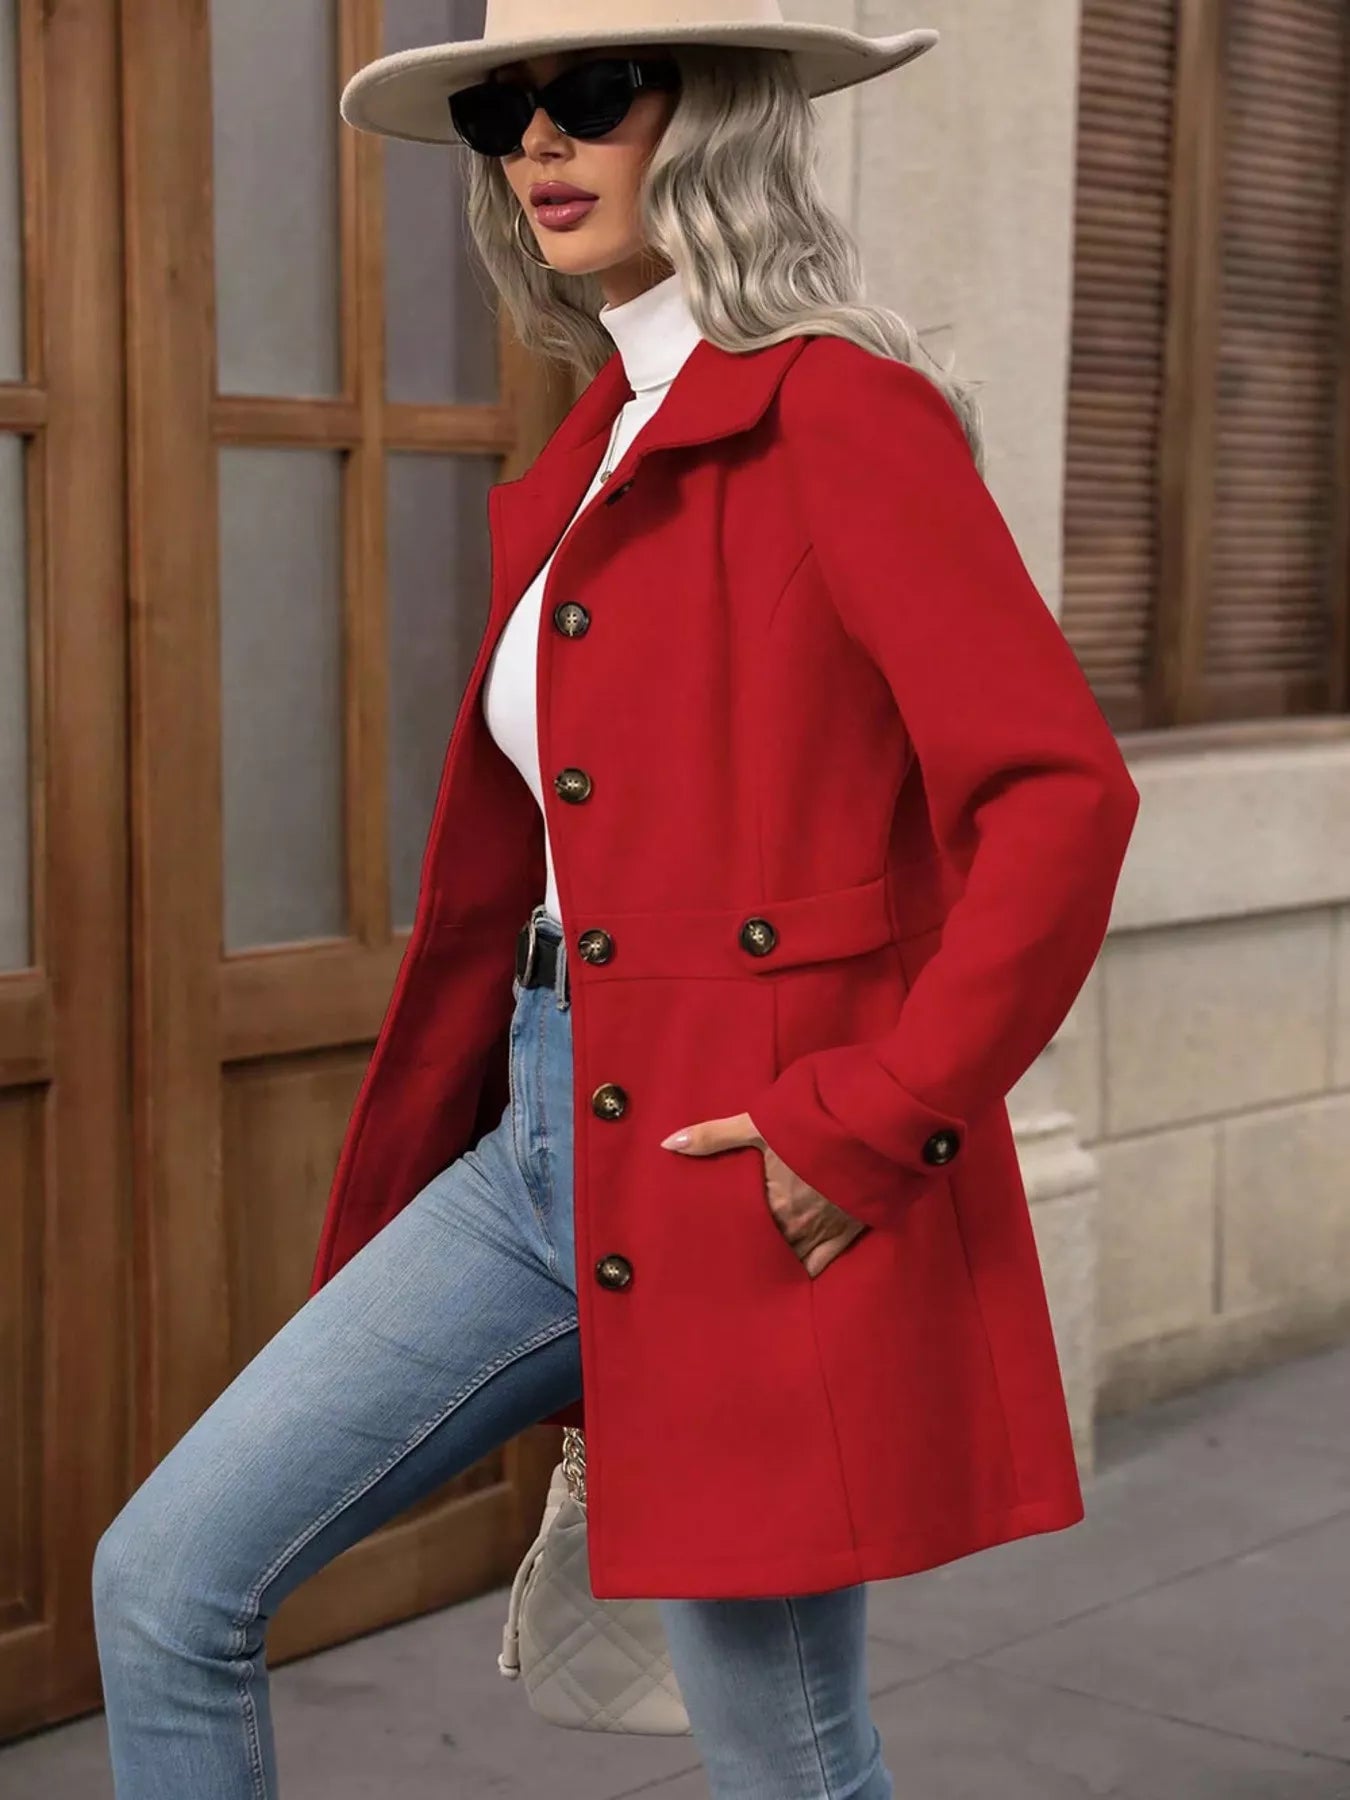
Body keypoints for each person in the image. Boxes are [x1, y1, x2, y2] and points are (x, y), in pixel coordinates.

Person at [93, 7, 1140, 1797]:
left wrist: (873, 1117)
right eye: (503, 112)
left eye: (590, 96)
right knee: (166, 1577)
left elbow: (1057, 799)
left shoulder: (837, 413)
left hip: (734, 1150)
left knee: (781, 1754)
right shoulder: (600, 442)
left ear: (714, 115)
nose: (537, 145)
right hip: (535, 1139)